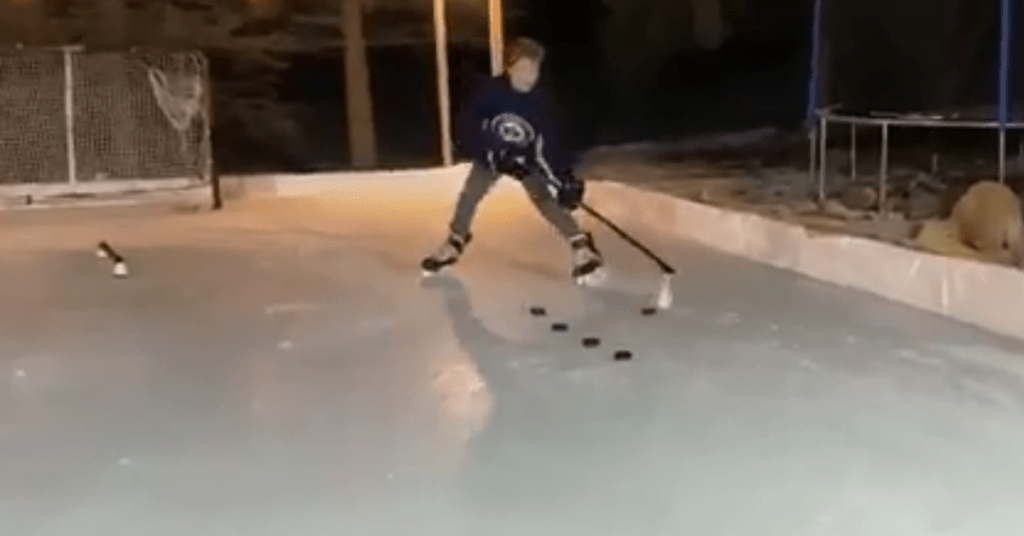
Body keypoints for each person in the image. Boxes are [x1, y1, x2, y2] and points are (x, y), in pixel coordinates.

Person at [420, 37, 604, 284]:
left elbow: (548, 147)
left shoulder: (541, 103)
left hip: (525, 159)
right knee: (470, 194)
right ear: (510, 68)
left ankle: (581, 245)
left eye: (535, 69)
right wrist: (494, 156)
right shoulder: (489, 93)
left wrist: (563, 179)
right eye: (524, 68)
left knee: (544, 200)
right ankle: (455, 240)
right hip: (492, 154)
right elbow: (468, 129)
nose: (530, 75)